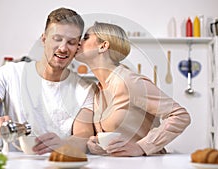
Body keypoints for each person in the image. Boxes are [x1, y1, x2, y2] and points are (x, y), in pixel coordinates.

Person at [0, 7, 96, 154]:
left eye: (71, 42)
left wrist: (62, 144)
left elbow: (83, 137)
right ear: (44, 39)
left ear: (78, 47)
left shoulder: (85, 89)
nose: (63, 48)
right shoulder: (10, 73)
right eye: (57, 39)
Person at [75, 22, 191, 156]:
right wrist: (96, 145)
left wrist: (142, 147)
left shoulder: (129, 81)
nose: (78, 42)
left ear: (103, 46)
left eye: (86, 37)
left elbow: (180, 115)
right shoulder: (97, 90)